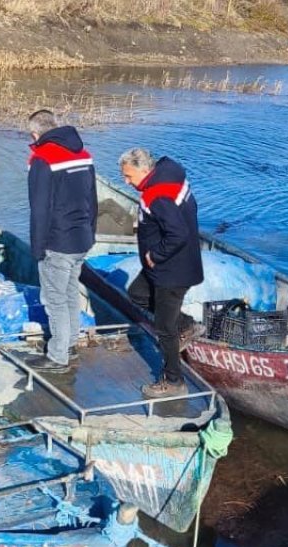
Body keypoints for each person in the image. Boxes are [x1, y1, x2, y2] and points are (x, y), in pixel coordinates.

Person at [118, 147, 204, 399]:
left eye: (129, 176)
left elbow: (178, 233)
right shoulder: (170, 174)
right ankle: (186, 323)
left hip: (171, 270)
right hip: (167, 265)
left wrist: (155, 255)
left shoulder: (158, 195)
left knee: (164, 327)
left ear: (144, 170)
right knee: (137, 293)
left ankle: (173, 380)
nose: (126, 181)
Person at [26, 110, 97, 372]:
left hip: (57, 240)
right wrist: (91, 232)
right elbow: (93, 196)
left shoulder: (42, 159)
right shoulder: (83, 154)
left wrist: (37, 247)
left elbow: (40, 208)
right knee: (70, 293)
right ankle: (68, 345)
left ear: (35, 134)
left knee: (54, 298)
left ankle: (57, 357)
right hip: (82, 238)